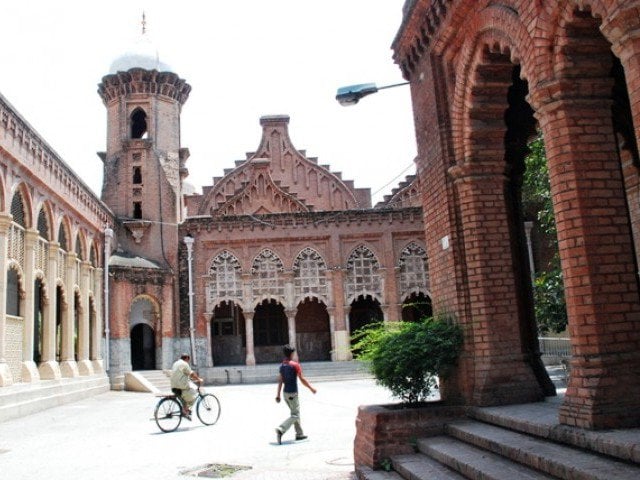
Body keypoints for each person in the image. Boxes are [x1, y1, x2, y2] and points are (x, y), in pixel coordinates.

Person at [275, 345, 316, 444]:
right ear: (292, 354)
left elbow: (280, 381)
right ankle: (281, 429)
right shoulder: (295, 365)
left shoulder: (282, 365)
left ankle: (299, 434)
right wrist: (311, 388)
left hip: (285, 394)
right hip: (293, 393)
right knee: (295, 415)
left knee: (295, 413)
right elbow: (302, 379)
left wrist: (278, 395)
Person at [170, 353, 203, 419]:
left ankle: (185, 410)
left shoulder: (175, 363)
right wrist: (198, 379)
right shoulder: (184, 364)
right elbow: (191, 373)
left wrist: (190, 378)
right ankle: (186, 411)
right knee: (194, 395)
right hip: (181, 387)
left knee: (185, 397)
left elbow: (181, 374)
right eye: (188, 360)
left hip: (173, 386)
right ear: (187, 358)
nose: (188, 362)